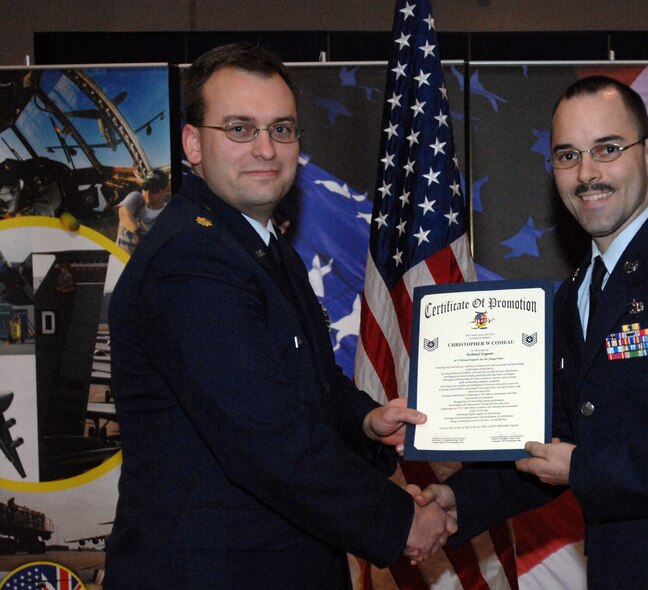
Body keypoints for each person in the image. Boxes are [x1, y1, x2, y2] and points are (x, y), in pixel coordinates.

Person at [415, 76, 648, 588]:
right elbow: (558, 442)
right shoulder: (571, 297)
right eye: (567, 156)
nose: (587, 174)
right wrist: (460, 500)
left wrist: (586, 468)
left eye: (607, 149)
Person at [105, 43, 453, 589]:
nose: (266, 148)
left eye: (282, 129)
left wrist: (365, 419)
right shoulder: (192, 261)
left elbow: (305, 383)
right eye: (240, 129)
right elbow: (266, 437)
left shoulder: (260, 247)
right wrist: (398, 518)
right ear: (193, 144)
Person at [114, 168, 169, 254]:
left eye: (153, 189)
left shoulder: (168, 214)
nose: (147, 193)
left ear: (164, 190)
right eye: (145, 187)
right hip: (119, 259)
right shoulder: (136, 198)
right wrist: (137, 233)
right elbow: (123, 213)